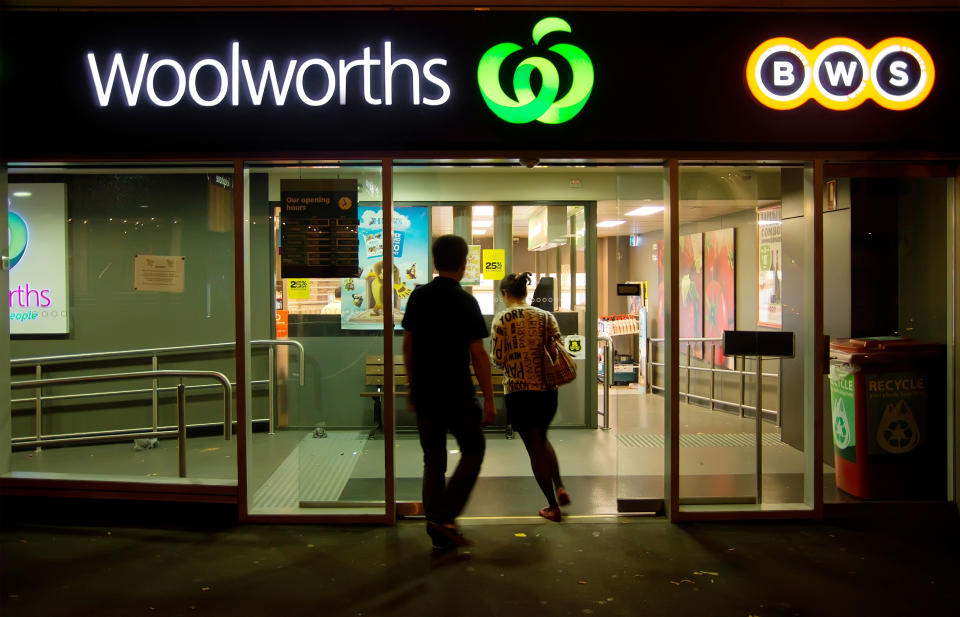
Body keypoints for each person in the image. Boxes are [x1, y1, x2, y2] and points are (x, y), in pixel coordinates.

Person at [402, 234, 496, 550]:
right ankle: (444, 517)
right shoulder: (467, 301)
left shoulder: (418, 297)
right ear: (463, 263)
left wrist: (412, 386)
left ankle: (436, 525)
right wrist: (490, 397)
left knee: (433, 461)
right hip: (458, 394)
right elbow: (478, 354)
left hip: (427, 394)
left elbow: (408, 344)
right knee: (473, 450)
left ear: (434, 262)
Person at [490, 272, 570, 522]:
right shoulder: (546, 317)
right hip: (548, 392)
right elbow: (558, 350)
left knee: (534, 449)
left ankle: (552, 506)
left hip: (519, 392)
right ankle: (560, 485)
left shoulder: (501, 320)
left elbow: (498, 359)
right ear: (525, 293)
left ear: (505, 294)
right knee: (543, 439)